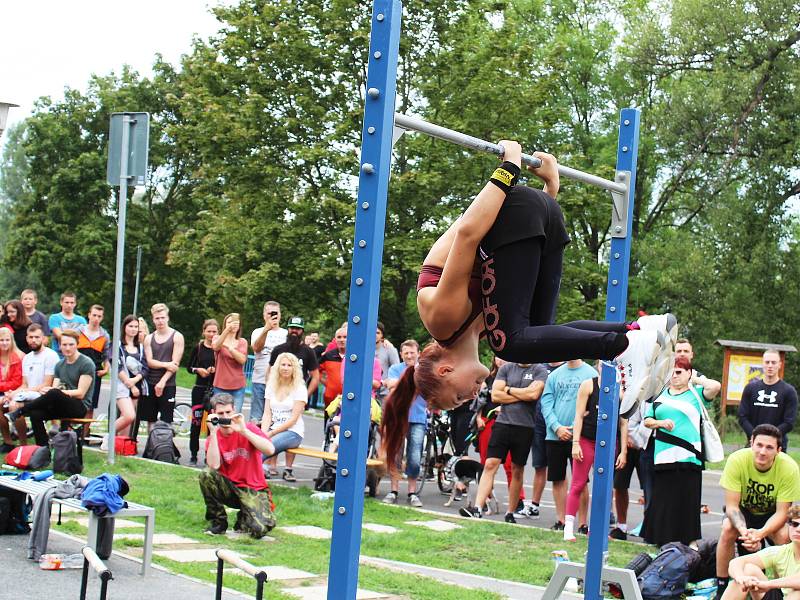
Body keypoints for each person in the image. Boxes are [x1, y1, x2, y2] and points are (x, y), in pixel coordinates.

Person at [381, 142, 669, 475]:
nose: (473, 395)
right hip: (538, 217)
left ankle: (624, 347)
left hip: (510, 208)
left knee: (514, 343)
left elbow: (468, 233)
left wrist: (509, 167)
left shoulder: (441, 319)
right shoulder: (487, 328)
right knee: (536, 334)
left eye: (459, 397)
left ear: (444, 372)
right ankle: (636, 332)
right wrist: (550, 189)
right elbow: (522, 263)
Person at [640, 356, 721, 546]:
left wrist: (696, 379)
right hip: (663, 455)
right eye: (671, 372)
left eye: (679, 372)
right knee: (663, 501)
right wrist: (660, 423)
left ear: (688, 373)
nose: (674, 376)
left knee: (688, 500)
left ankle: (689, 541)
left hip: (689, 456)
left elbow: (715, 387)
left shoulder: (696, 393)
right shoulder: (659, 394)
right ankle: (660, 540)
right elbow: (647, 420)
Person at [715, 423, 800, 598]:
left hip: (772, 513)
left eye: (769, 447)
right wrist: (746, 533)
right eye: (759, 445)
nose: (762, 451)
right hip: (743, 511)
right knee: (727, 530)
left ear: (778, 450)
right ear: (751, 442)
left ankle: (780, 588)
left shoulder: (789, 467)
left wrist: (760, 534)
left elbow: (782, 512)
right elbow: (732, 506)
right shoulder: (737, 459)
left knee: (785, 536)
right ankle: (721, 585)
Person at [461, 360, 547, 522]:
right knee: (490, 464)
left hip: (525, 426)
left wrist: (507, 390)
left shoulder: (539, 370)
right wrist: (521, 394)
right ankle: (478, 508)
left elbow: (533, 395)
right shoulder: (507, 368)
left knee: (516, 469)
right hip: (502, 424)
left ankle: (510, 512)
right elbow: (495, 395)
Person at [199, 393, 276, 538]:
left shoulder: (248, 428)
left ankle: (244, 518)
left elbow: (270, 450)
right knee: (206, 474)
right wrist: (213, 432)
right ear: (214, 414)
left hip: (253, 488)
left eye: (228, 412)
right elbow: (213, 465)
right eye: (221, 413)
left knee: (259, 529)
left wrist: (244, 431)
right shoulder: (213, 437)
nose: (225, 416)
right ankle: (218, 522)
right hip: (229, 487)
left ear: (234, 410)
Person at [564, 373, 628, 541]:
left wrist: (623, 451)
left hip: (608, 443)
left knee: (605, 488)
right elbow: (578, 415)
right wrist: (575, 442)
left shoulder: (619, 389)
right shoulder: (589, 385)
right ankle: (568, 527)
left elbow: (623, 422)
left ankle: (597, 529)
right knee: (578, 483)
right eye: (601, 362)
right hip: (587, 439)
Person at [4, 330, 95, 446]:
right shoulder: (59, 365)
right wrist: (47, 391)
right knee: (36, 413)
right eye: (64, 345)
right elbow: (55, 387)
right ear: (60, 345)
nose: (67, 348)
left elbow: (81, 393)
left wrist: (55, 392)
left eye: (71, 344)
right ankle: (42, 448)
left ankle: (20, 411)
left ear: (77, 344)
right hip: (60, 403)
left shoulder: (86, 363)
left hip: (79, 406)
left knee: (54, 393)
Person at [540, 359, 597, 531]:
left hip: (581, 436)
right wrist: (556, 427)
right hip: (555, 435)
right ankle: (561, 520)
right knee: (557, 478)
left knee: (580, 481)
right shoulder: (554, 375)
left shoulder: (591, 374)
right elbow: (546, 404)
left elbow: (593, 406)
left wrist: (578, 427)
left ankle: (582, 523)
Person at [382, 340, 428, 508]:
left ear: (418, 353)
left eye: (412, 352)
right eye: (406, 353)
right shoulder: (395, 368)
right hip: (397, 417)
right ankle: (393, 490)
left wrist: (401, 383)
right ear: (401, 354)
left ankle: (412, 492)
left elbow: (426, 388)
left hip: (418, 418)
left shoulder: (424, 370)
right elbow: (390, 384)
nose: (409, 355)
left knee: (415, 457)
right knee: (395, 454)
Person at [721, 504, 800, 600]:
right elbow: (736, 562)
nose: (798, 529)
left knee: (796, 594)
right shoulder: (782, 551)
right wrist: (741, 578)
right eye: (795, 524)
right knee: (748, 569)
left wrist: (768, 584)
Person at [0, 324, 57, 451]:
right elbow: (24, 384)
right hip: (28, 394)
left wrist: (19, 393)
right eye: (31, 337)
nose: (34, 340)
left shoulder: (50, 355)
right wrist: (12, 393)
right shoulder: (27, 358)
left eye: (37, 337)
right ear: (26, 338)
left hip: (44, 396)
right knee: (6, 401)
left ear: (43, 338)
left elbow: (47, 384)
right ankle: (13, 444)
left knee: (15, 405)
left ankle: (23, 445)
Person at [610, 387, 654, 541]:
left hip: (646, 445)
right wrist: (626, 438)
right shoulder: (627, 379)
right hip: (625, 443)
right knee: (619, 485)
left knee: (649, 489)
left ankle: (649, 528)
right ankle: (621, 526)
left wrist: (640, 440)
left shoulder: (653, 385)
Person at [738, 350, 798, 452]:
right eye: (767, 362)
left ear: (779, 365)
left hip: (778, 446)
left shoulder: (789, 391)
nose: (770, 365)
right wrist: (756, 436)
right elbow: (742, 417)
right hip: (753, 444)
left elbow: (789, 422)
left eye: (773, 362)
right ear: (762, 364)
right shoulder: (750, 388)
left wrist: (770, 438)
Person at [261, 352, 307, 481]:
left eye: (289, 365)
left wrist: (271, 434)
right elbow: (267, 413)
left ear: (294, 369)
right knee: (256, 443)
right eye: (283, 365)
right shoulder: (271, 385)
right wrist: (264, 432)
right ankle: (257, 472)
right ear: (278, 367)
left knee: (265, 447)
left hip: (293, 432)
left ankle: (248, 474)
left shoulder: (300, 388)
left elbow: (293, 419)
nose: (286, 368)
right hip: (273, 430)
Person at [143, 303, 184, 430]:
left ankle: (165, 446)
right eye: (157, 318)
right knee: (151, 419)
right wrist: (166, 364)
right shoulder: (149, 338)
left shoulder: (177, 336)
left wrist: (162, 382)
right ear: (153, 319)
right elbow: (150, 362)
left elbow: (175, 364)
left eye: (162, 317)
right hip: (150, 382)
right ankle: (151, 446)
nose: (160, 321)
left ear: (167, 318)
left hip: (168, 384)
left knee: (167, 419)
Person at [187, 319, 218, 466]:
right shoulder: (198, 347)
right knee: (196, 423)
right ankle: (193, 454)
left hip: (214, 390)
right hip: (199, 389)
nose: (211, 334)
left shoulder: (219, 348)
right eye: (209, 331)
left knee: (212, 424)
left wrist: (214, 370)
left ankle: (209, 454)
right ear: (204, 332)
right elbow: (189, 367)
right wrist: (197, 370)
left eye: (214, 331)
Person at [249, 301, 287, 423]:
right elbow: (256, 348)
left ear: (280, 315)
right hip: (259, 380)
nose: (272, 315)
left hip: (280, 382)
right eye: (270, 313)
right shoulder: (257, 331)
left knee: (275, 418)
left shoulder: (285, 334)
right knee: (256, 418)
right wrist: (266, 329)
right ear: (264, 315)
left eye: (275, 313)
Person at [268, 316, 319, 400]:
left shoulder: (309, 352)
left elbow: (316, 377)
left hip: (297, 395)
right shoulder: (278, 349)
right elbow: (269, 372)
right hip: (278, 394)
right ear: (288, 329)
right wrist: (270, 392)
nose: (294, 331)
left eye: (298, 328)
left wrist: (305, 396)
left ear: (302, 331)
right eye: (292, 328)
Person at [115, 315, 148, 439]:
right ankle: (109, 437)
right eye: (130, 326)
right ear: (124, 327)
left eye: (136, 327)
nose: (133, 329)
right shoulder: (117, 345)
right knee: (129, 415)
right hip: (122, 385)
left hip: (137, 386)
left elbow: (145, 368)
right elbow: (117, 366)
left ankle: (121, 445)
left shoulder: (140, 347)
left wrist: (135, 381)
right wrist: (130, 383)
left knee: (128, 420)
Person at [77, 304, 111, 423]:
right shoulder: (79, 331)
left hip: (95, 372)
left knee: (91, 404)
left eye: (99, 316)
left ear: (102, 318)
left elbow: (106, 356)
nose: (96, 318)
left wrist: (106, 369)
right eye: (94, 315)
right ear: (89, 315)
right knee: (74, 401)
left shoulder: (104, 336)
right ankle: (69, 435)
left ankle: (84, 435)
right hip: (78, 370)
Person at [211, 313, 248, 413]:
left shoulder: (242, 342)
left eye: (235, 322)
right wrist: (227, 330)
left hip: (238, 386)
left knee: (234, 416)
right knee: (220, 416)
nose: (233, 325)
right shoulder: (217, 338)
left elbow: (242, 360)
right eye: (229, 322)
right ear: (225, 324)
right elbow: (216, 347)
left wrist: (230, 348)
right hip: (220, 385)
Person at [0, 328, 24, 452]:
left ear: (11, 341)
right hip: (3, 392)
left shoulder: (18, 357)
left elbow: (17, 381)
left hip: (16, 391)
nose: (4, 343)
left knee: (13, 405)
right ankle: (8, 441)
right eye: (1, 340)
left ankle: (22, 443)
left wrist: (7, 392)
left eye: (7, 340)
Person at [318, 327, 347, 420]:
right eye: (339, 337)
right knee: (329, 426)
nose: (342, 340)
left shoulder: (355, 356)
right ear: (335, 339)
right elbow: (316, 372)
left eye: (345, 337)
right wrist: (327, 383)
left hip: (349, 399)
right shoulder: (328, 355)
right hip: (330, 398)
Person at [48, 291, 87, 355]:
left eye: (72, 303)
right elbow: (60, 336)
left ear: (75, 304)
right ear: (61, 302)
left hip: (77, 355)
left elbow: (84, 339)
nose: (69, 305)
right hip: (58, 356)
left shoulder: (82, 320)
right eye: (67, 302)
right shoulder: (54, 318)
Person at [374, 322, 400, 405]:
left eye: (378, 333)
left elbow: (396, 369)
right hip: (369, 392)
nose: (375, 335)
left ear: (382, 335)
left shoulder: (389, 349)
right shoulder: (364, 349)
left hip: (385, 392)